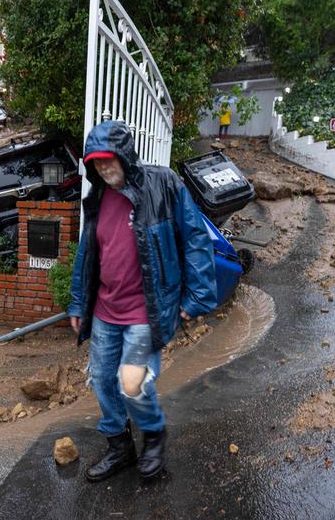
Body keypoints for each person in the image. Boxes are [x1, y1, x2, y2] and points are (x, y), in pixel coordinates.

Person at [68, 119, 217, 483]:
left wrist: (197, 295)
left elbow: (195, 237)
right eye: (96, 163)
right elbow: (87, 253)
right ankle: (120, 447)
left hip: (145, 310)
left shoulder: (162, 183)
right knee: (103, 379)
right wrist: (77, 302)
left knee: (132, 383)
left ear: (125, 156)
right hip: (106, 309)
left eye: (109, 160)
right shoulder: (98, 197)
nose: (104, 168)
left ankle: (153, 435)